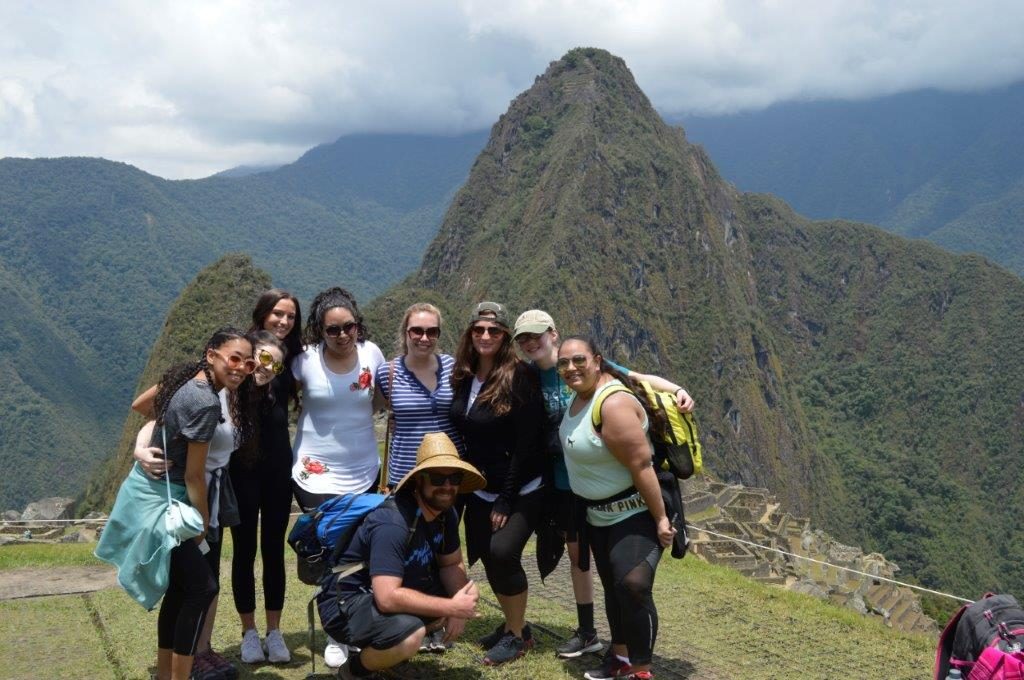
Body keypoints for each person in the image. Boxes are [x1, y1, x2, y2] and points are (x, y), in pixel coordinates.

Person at [513, 309, 694, 658]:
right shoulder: (528, 376)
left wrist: (678, 390)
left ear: (553, 333)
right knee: (578, 556)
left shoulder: (594, 373)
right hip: (567, 482)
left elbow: (638, 379)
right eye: (523, 339)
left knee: (618, 574)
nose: (531, 343)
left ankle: (622, 650)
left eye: (536, 335)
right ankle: (589, 631)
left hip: (611, 482)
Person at [97, 327, 255, 680]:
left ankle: (167, 674)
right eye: (234, 358)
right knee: (202, 587)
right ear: (212, 354)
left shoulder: (189, 381)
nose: (241, 368)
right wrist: (200, 526)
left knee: (185, 588)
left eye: (247, 362)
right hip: (163, 500)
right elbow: (194, 476)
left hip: (151, 493)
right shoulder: (204, 401)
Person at [317, 432, 486, 680]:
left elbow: (451, 564)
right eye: (439, 478)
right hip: (346, 603)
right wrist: (451, 606)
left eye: (455, 478)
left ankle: (389, 658)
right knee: (411, 635)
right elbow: (387, 598)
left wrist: (458, 602)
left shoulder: (445, 515)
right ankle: (352, 671)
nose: (448, 486)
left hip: (382, 593)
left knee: (463, 592)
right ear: (419, 481)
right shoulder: (393, 521)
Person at [557, 336, 677, 680]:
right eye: (564, 363)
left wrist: (661, 519)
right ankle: (621, 660)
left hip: (634, 511)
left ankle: (641, 670)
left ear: (597, 360)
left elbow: (642, 466)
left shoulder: (612, 405)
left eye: (578, 360)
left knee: (633, 585)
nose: (570, 368)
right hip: (597, 515)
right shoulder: (578, 398)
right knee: (613, 587)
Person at [291, 286, 385, 667]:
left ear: (358, 326)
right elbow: (267, 392)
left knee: (359, 556)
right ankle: (335, 633)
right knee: (331, 557)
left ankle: (359, 627)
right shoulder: (304, 361)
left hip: (364, 471)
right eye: (333, 330)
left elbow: (386, 396)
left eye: (349, 327)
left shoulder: (372, 354)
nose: (343, 335)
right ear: (320, 330)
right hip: (315, 476)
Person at [449, 301, 546, 666]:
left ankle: (518, 637)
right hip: (479, 485)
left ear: (505, 336)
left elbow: (526, 444)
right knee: (487, 555)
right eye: (478, 330)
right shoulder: (464, 375)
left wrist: (505, 499)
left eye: (493, 330)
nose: (485, 336)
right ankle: (511, 624)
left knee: (504, 553)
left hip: (520, 487)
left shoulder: (519, 376)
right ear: (470, 334)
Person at [231, 290, 302, 665]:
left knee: (273, 550)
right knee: (244, 551)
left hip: (277, 468)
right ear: (262, 314)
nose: (284, 321)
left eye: (290, 316)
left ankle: (275, 632)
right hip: (241, 469)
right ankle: (249, 632)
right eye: (278, 314)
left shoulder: (291, 363)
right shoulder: (239, 358)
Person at [374, 302, 464, 487]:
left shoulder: (452, 367)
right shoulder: (387, 373)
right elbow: (370, 409)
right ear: (405, 333)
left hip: (450, 473)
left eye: (432, 332)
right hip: (406, 474)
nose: (424, 338)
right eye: (417, 331)